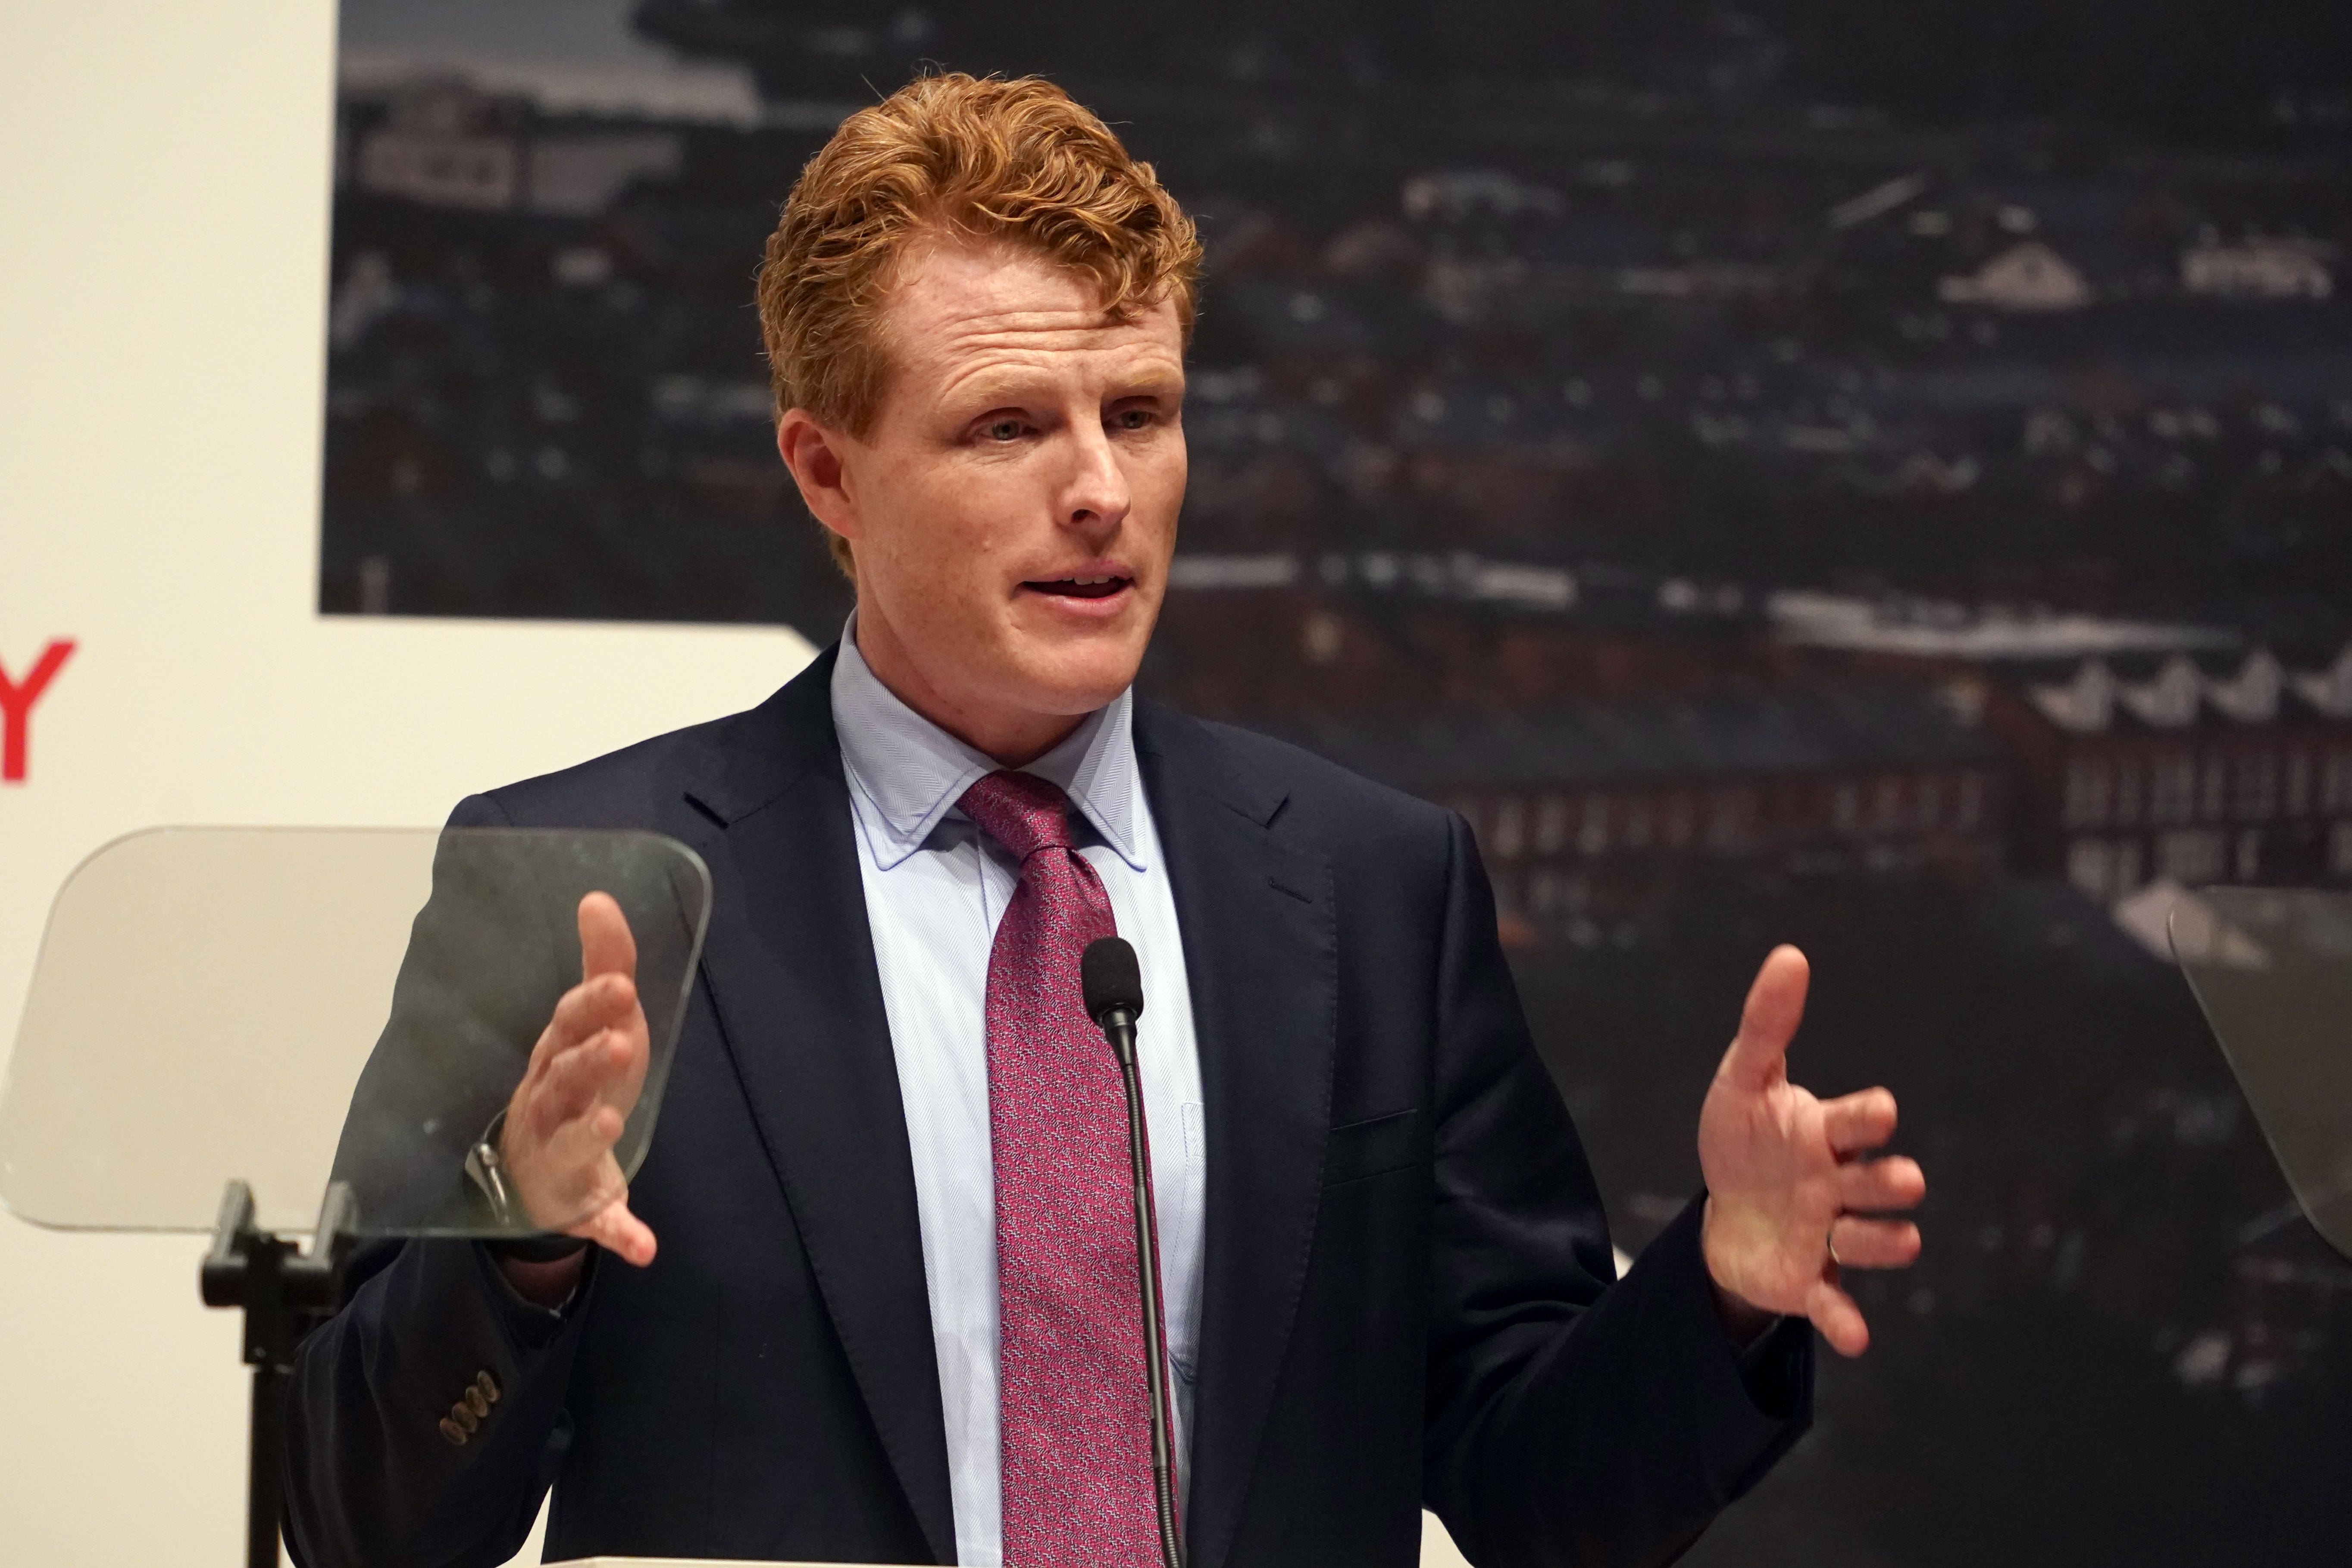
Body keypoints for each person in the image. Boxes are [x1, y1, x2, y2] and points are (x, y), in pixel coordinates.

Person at [285, 72, 1924, 1568]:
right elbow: (355, 1515)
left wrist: (1716, 1288)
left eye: (1138, 413)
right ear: (826, 474)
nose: (1101, 491)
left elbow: (1537, 1494)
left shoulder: (1371, 888)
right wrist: (519, 1253)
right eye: (1009, 426)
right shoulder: (589, 891)